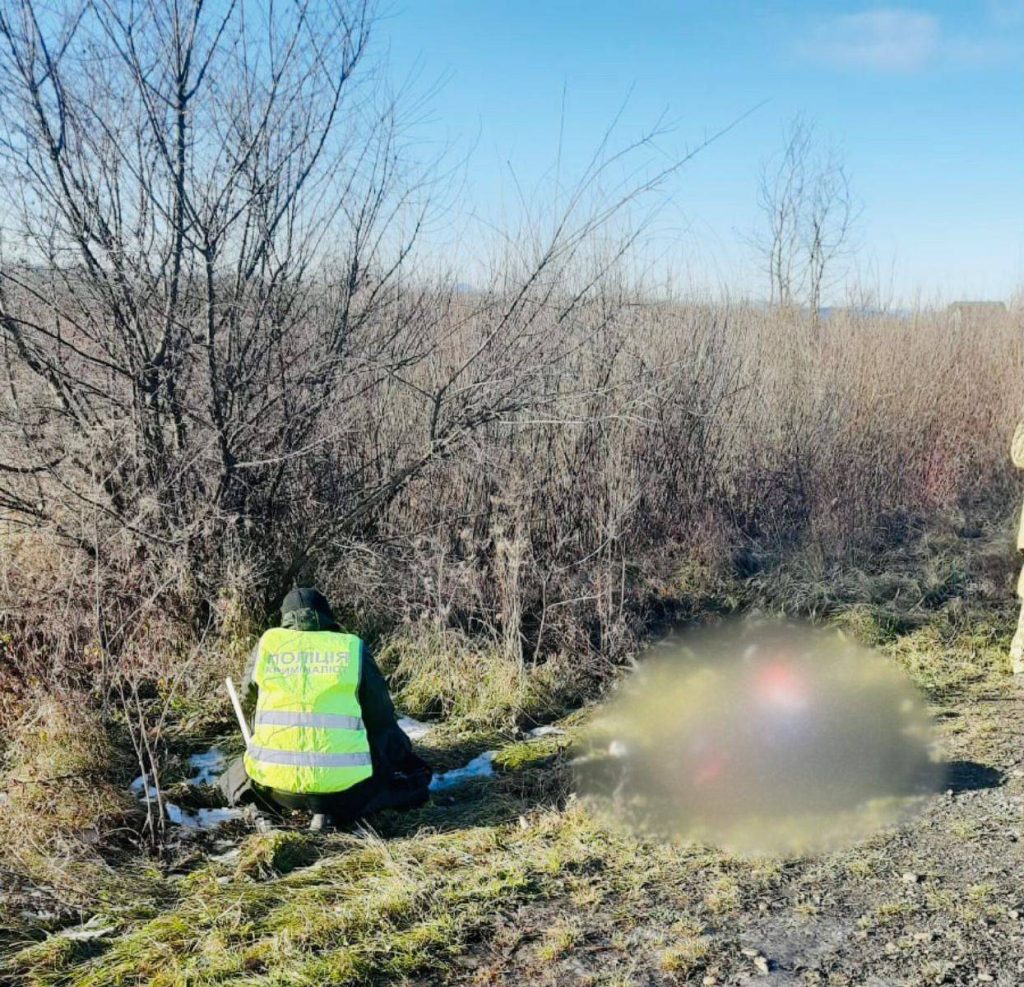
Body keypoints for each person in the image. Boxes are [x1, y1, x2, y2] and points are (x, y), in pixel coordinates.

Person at [220, 587, 431, 829]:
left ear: (285, 620)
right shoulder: (351, 647)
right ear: (327, 615)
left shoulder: (267, 644)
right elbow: (381, 713)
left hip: (279, 790)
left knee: (234, 774)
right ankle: (333, 809)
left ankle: (263, 809)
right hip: (346, 790)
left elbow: (248, 700)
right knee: (390, 740)